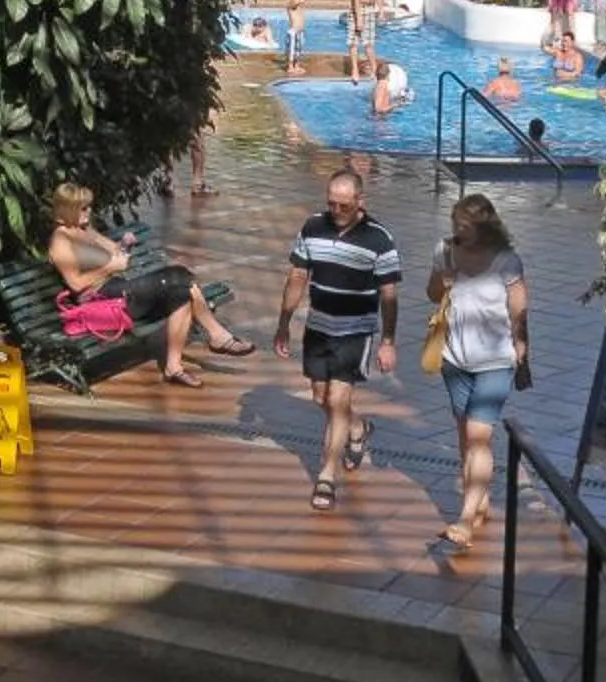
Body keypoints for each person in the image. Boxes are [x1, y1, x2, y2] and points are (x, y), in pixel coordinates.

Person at [45, 183, 253, 384]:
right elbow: (75, 284)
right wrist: (109, 268)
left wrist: (124, 245)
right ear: (68, 209)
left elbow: (114, 251)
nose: (89, 211)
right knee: (178, 278)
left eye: (89, 206)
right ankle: (217, 336)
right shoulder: (61, 240)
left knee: (181, 291)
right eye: (83, 208)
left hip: (118, 289)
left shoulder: (84, 230)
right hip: (104, 301)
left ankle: (174, 367)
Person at [277, 168, 399, 509]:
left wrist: (388, 341)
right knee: (323, 398)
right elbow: (298, 275)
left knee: (338, 398)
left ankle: (327, 476)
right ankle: (357, 428)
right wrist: (284, 322)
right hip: (319, 327)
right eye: (331, 203)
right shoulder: (313, 227)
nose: (336, 210)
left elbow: (389, 294)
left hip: (355, 331)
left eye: (344, 205)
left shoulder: (379, 239)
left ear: (360, 201)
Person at [426, 193, 529, 550]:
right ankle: (479, 498)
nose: (458, 231)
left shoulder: (507, 261)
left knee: (478, 436)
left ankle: (466, 519)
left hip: (495, 361)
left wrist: (523, 357)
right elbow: (431, 293)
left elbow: (519, 314)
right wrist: (444, 280)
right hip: (455, 359)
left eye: (465, 226)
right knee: (465, 436)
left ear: (485, 227)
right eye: (455, 224)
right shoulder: (445, 251)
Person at [285, 0, 308, 72]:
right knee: (292, 49)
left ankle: (297, 65)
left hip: (300, 31)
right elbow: (296, 2)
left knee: (299, 49)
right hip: (293, 32)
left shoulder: (299, 5)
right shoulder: (290, 5)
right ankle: (290, 66)